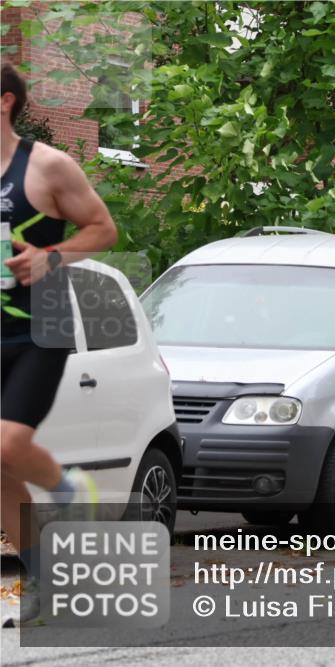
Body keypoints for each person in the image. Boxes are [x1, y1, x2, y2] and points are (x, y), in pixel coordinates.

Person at [1, 62, 118, 626]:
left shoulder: (46, 165)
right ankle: (42, 580)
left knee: (5, 445)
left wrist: (50, 257)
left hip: (39, 329)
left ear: (4, 102)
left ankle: (72, 490)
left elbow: (103, 228)